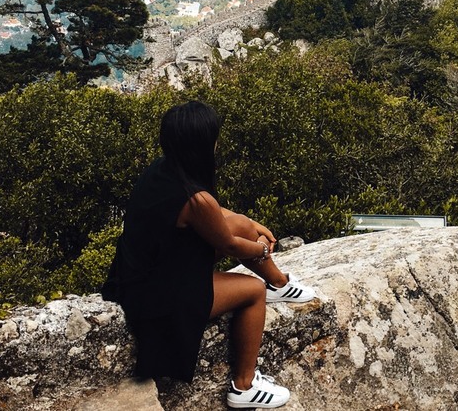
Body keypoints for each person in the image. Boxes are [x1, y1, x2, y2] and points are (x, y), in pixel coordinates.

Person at [102, 101, 315, 409]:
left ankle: (280, 284)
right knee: (253, 290)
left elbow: (215, 216)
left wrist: (251, 223)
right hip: (159, 295)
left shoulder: (164, 170)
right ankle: (244, 387)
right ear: (204, 143)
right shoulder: (195, 198)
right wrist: (263, 248)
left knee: (241, 224)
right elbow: (228, 244)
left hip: (144, 272)